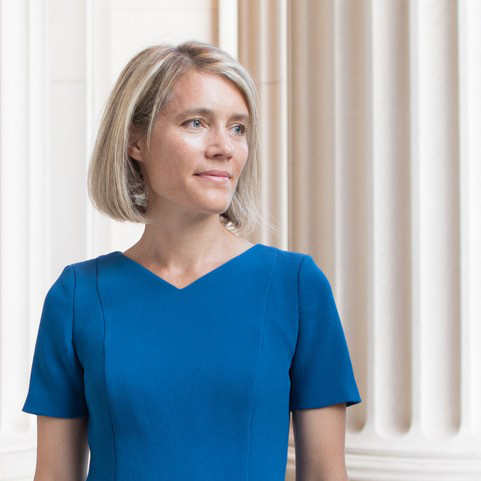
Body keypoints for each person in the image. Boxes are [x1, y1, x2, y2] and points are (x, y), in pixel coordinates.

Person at [22, 40, 362, 481]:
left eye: (238, 128)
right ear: (135, 140)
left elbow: (324, 475)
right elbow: (53, 476)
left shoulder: (296, 287)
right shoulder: (78, 296)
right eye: (196, 122)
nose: (224, 147)